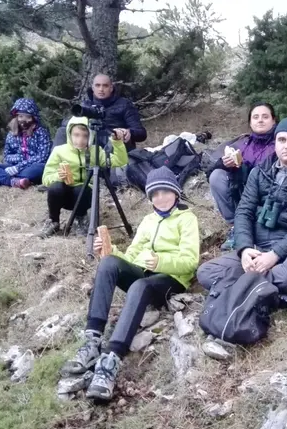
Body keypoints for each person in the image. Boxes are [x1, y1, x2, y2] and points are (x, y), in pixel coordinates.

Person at [61, 167, 200, 401]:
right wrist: (110, 251)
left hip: (171, 280)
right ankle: (92, 340)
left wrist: (160, 262)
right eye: (155, 194)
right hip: (144, 272)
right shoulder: (148, 221)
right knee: (108, 264)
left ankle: (111, 359)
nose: (160, 198)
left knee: (140, 287)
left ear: (176, 193)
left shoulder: (187, 219)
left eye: (165, 191)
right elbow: (133, 255)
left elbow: (190, 261)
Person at [196, 116, 287, 317]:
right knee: (205, 273)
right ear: (275, 143)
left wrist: (275, 255)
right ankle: (279, 297)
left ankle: (240, 289)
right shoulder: (260, 171)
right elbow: (244, 211)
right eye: (281, 140)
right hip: (256, 249)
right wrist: (244, 249)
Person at [40, 116, 128, 237]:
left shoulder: (95, 151)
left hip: (85, 196)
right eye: (76, 135)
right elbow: (46, 178)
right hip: (64, 195)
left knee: (80, 189)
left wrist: (117, 143)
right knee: (55, 187)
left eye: (85, 136)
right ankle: (53, 221)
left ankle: (80, 219)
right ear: (69, 134)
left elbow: (120, 161)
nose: (80, 140)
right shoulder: (59, 151)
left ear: (90, 136)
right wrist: (58, 176)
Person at [208, 103, 277, 251]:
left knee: (254, 174)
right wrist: (225, 163)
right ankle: (236, 226)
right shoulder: (242, 143)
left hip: (268, 196)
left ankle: (258, 228)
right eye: (256, 117)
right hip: (241, 193)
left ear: (273, 121)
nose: (260, 120)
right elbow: (211, 170)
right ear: (250, 122)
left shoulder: (280, 143)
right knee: (216, 176)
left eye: (265, 117)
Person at [54, 74, 147, 153]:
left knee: (114, 140)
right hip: (90, 141)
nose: (101, 89)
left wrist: (128, 132)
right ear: (93, 88)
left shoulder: (124, 104)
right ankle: (56, 168)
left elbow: (141, 133)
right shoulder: (86, 104)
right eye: (97, 85)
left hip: (114, 142)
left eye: (105, 86)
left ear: (111, 88)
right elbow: (66, 124)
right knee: (62, 132)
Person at [0, 98, 52, 189]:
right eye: (21, 116)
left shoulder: (41, 132)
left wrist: (19, 167)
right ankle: (13, 181)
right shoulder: (11, 134)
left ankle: (3, 180)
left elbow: (43, 156)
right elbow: (7, 155)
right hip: (12, 166)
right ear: (16, 117)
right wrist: (18, 159)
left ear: (34, 118)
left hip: (33, 167)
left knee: (38, 169)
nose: (23, 120)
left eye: (28, 117)